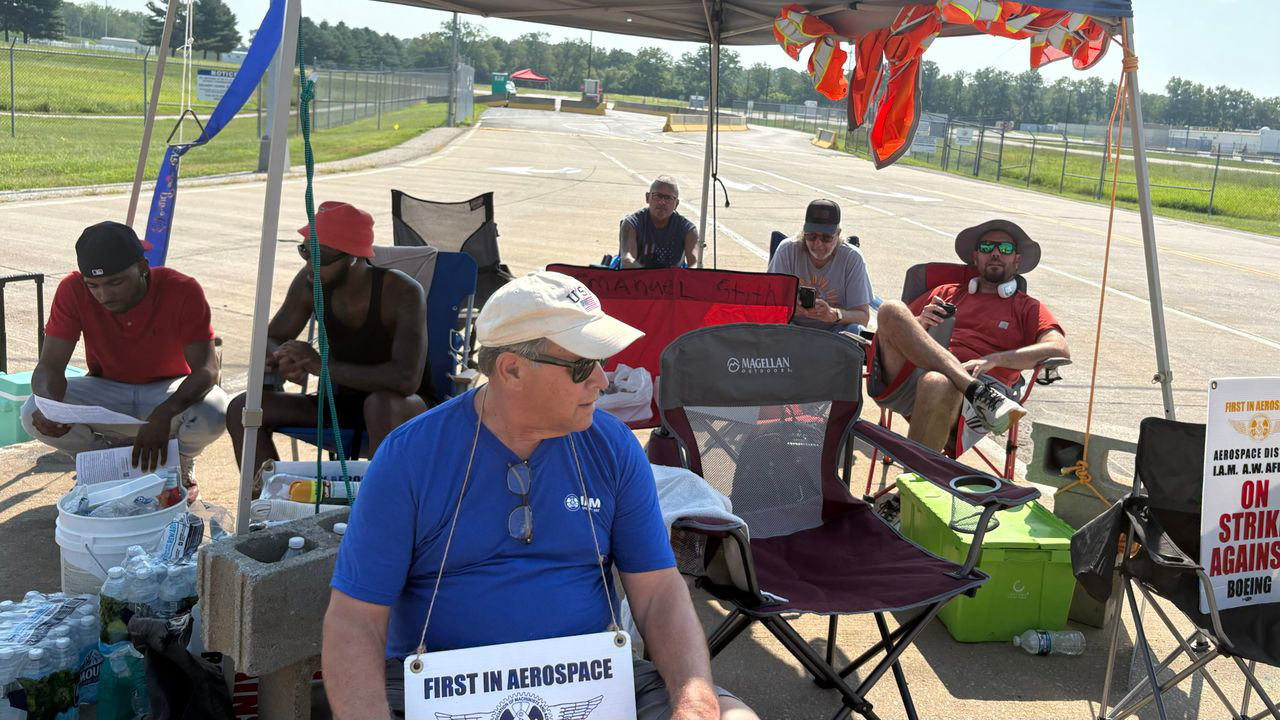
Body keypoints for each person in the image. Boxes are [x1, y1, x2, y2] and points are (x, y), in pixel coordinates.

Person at [322, 271, 756, 720]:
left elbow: (658, 592)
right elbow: (355, 616)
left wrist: (695, 703)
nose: (602, 380)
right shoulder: (410, 456)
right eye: (582, 366)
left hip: (589, 679)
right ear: (512, 369)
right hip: (442, 688)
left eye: (601, 361)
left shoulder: (613, 446)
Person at [21, 221, 226, 500]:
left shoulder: (182, 288)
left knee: (216, 410)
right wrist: (50, 406)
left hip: (168, 390)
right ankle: (102, 462)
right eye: (93, 285)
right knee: (32, 411)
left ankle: (179, 462)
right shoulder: (72, 289)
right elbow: (49, 366)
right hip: (107, 389)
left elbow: (207, 369)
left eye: (115, 282)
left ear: (143, 267)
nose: (104, 295)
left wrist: (165, 412)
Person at [226, 201, 429, 467]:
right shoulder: (310, 283)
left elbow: (406, 380)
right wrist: (284, 356)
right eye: (305, 252)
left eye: (320, 257)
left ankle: (379, 493)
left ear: (354, 257)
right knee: (241, 408)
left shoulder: (401, 292)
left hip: (404, 406)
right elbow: (271, 336)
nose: (309, 266)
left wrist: (321, 366)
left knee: (380, 405)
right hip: (341, 403)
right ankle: (272, 492)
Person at [868, 219, 1070, 452]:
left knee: (937, 382)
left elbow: (1059, 348)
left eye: (1005, 248)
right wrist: (920, 322)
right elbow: (893, 328)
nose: (995, 253)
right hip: (918, 376)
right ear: (975, 257)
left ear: (1016, 260)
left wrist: (994, 359)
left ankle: (915, 475)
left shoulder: (1028, 307)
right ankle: (973, 388)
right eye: (987, 247)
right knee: (890, 309)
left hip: (975, 392)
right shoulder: (946, 292)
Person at [766, 199, 874, 331]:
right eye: (811, 236)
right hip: (792, 329)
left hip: (834, 332)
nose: (818, 244)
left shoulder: (852, 257)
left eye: (826, 238)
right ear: (803, 233)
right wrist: (790, 307)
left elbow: (863, 317)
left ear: (838, 234)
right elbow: (768, 303)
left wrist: (833, 314)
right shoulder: (787, 250)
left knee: (855, 329)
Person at [619, 176, 699, 268]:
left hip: (673, 276)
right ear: (647, 197)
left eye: (668, 198)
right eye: (657, 196)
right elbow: (627, 259)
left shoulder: (688, 230)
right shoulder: (631, 224)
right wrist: (652, 276)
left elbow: (695, 264)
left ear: (676, 204)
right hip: (638, 275)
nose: (662, 202)